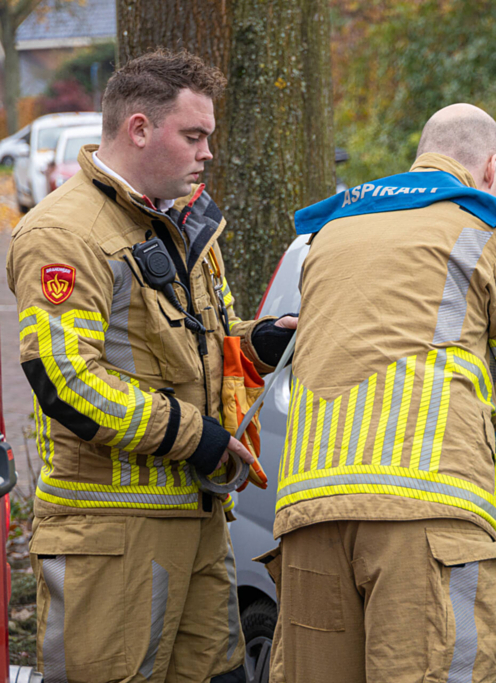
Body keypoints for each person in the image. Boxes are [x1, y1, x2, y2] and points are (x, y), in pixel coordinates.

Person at [264, 103, 496, 683]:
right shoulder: (492, 228)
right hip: (424, 513)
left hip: (309, 514)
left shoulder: (333, 232)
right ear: (492, 168)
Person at [6, 49, 296, 683]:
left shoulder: (178, 223)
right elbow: (66, 382)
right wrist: (199, 438)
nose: (207, 152)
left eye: (208, 137)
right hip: (112, 539)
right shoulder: (64, 234)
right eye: (193, 135)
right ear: (139, 128)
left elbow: (203, 350)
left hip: (194, 528)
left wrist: (263, 343)